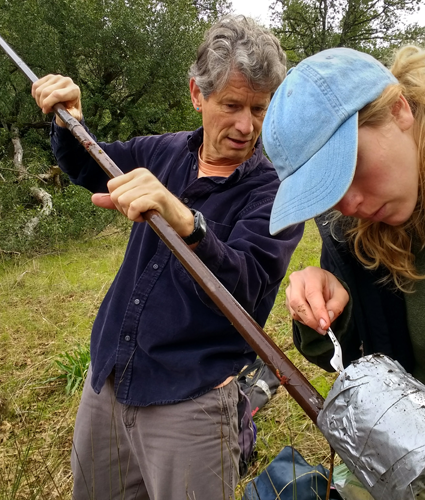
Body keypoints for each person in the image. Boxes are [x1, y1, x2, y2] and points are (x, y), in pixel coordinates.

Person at [32, 15, 304, 500]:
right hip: (111, 379)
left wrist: (187, 222)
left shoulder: (276, 192)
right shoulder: (163, 151)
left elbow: (249, 285)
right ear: (198, 95)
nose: (246, 126)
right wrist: (68, 119)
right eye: (232, 105)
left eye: (260, 109)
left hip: (193, 403)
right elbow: (92, 167)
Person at [262, 46, 425, 499]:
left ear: (399, 109)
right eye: (326, 190)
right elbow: (358, 361)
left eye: (350, 169)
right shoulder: (354, 225)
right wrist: (333, 312)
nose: (348, 203)